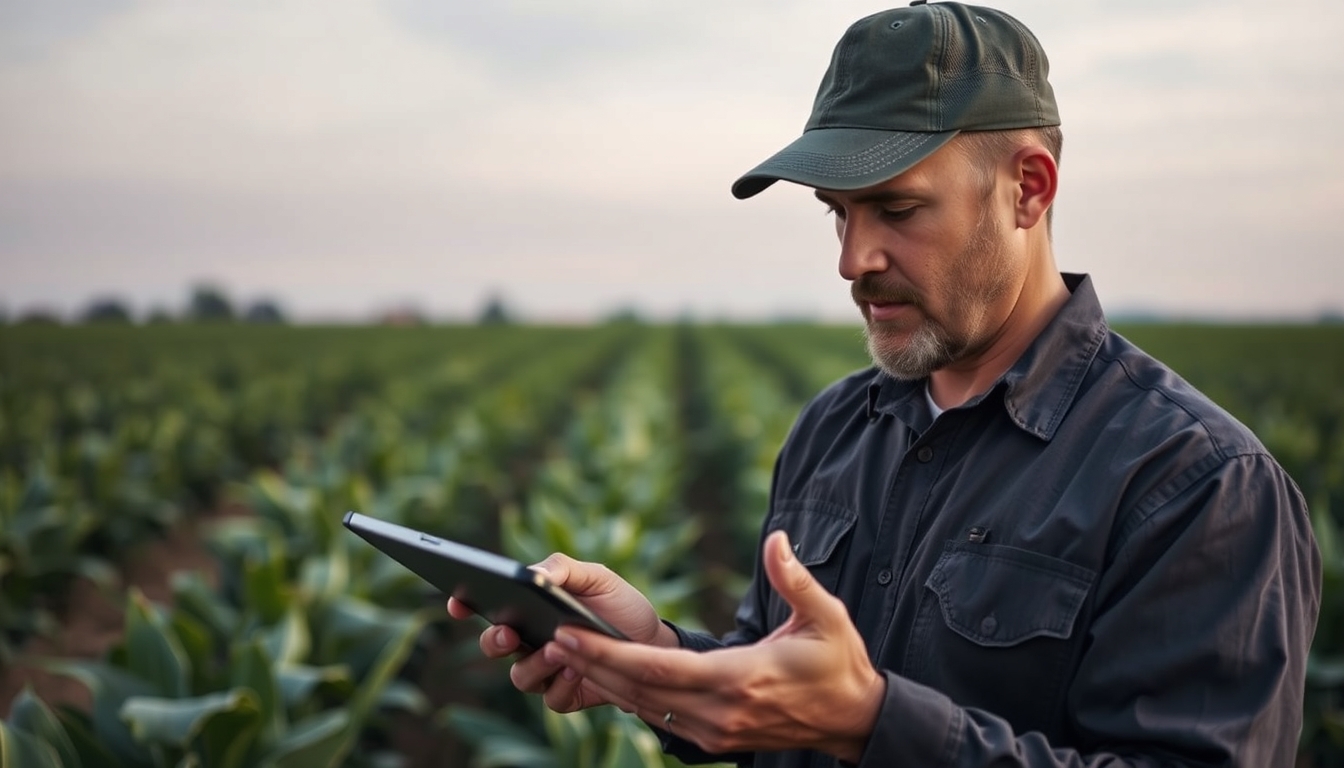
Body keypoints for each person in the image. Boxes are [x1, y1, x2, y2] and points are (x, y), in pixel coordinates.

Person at [448, 2, 1322, 766]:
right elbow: (772, 690)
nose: (852, 261)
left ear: (1029, 188)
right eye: (839, 212)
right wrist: (657, 658)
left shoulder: (1198, 486)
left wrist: (872, 724)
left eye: (897, 210)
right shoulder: (834, 429)